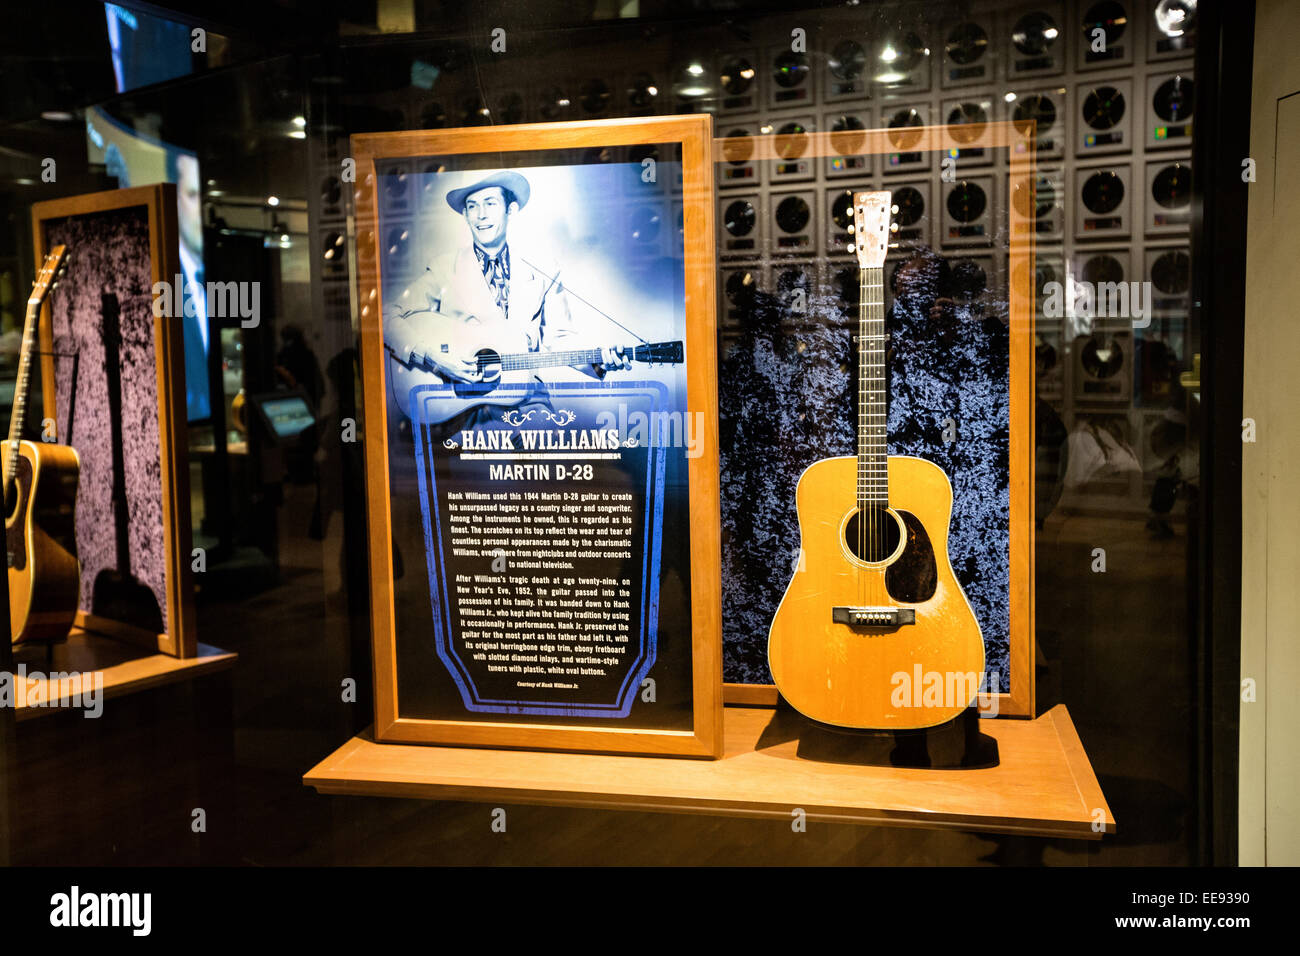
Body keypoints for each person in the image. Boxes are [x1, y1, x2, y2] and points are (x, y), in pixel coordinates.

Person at [384, 170, 630, 432]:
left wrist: (598, 359)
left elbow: (559, 338)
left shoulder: (543, 269)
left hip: (527, 402)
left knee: (546, 449)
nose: (481, 215)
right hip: (461, 410)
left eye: (490, 203)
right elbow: (387, 318)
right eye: (472, 206)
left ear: (510, 209)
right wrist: (433, 357)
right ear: (465, 216)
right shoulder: (446, 268)